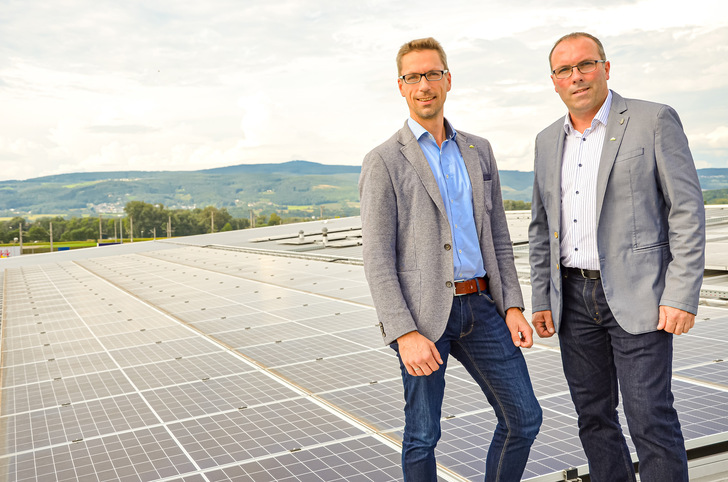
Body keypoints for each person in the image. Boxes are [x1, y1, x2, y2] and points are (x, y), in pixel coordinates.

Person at [359, 37, 542, 482]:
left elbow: (498, 235)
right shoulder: (384, 160)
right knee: (422, 436)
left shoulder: (478, 150)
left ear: (448, 79)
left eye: (433, 74)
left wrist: (513, 304)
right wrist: (404, 333)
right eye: (413, 77)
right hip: (423, 320)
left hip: (481, 307)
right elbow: (377, 257)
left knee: (524, 419)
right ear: (401, 87)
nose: (424, 84)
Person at [529, 32, 705, 482]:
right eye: (564, 70)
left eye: (585, 64)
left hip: (639, 294)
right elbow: (539, 226)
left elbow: (686, 210)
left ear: (606, 67)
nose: (577, 76)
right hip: (572, 297)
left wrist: (681, 294)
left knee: (650, 419)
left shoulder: (653, 120)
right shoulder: (547, 140)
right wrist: (542, 298)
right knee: (593, 419)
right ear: (554, 82)